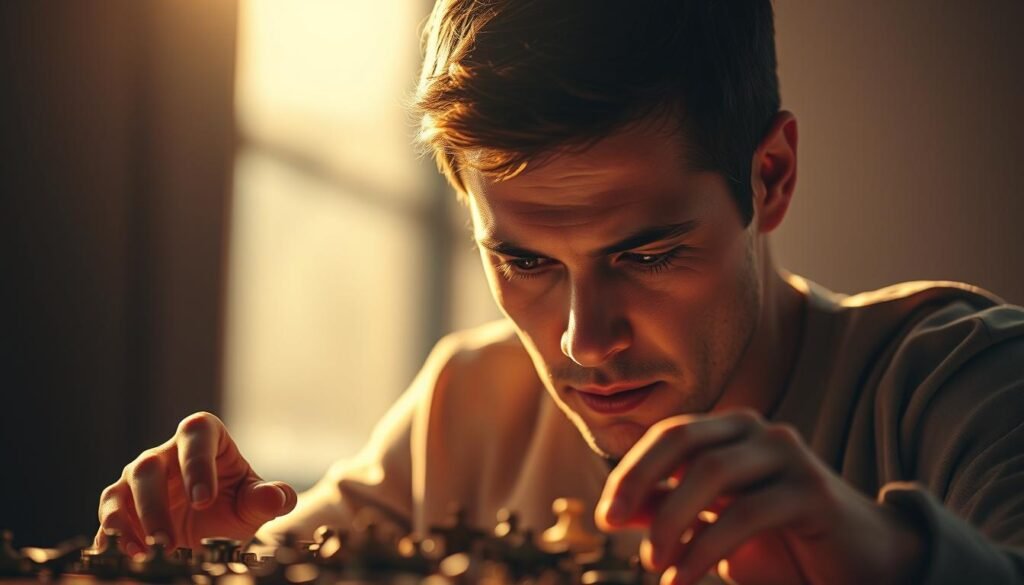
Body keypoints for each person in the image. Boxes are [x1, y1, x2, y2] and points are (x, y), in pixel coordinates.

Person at [94, 1, 1024, 583]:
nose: (584, 342)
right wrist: (198, 562)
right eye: (525, 262)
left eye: (650, 254)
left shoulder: (967, 384)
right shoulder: (467, 408)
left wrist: (898, 562)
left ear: (770, 176)